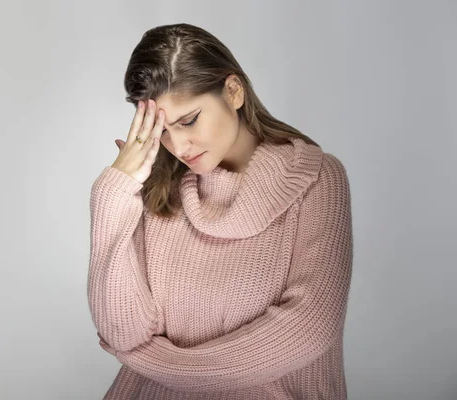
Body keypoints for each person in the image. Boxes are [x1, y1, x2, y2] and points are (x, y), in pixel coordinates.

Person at [87, 23, 353, 399]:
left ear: (233, 92)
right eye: (162, 130)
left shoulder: (317, 179)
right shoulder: (158, 192)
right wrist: (112, 195)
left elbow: (307, 331)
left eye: (189, 120)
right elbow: (123, 332)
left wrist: (154, 363)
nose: (178, 145)